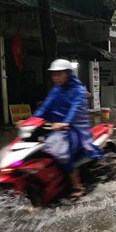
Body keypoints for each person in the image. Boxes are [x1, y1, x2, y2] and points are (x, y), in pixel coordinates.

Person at [30, 59, 102, 202]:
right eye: (53, 74)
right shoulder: (56, 89)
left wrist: (65, 123)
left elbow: (74, 109)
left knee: (60, 151)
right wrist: (30, 120)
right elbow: (45, 106)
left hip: (75, 129)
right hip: (56, 127)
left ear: (68, 74)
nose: (55, 77)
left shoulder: (78, 90)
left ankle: (76, 184)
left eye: (59, 74)